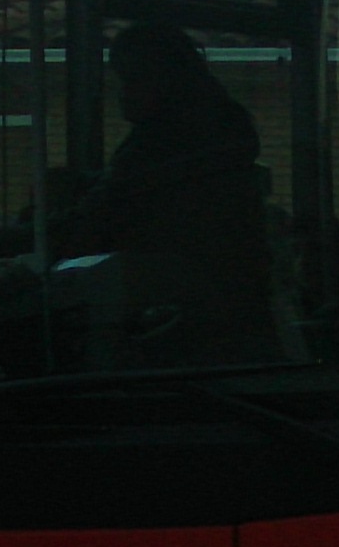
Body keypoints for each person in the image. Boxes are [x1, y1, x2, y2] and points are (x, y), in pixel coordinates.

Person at [51, 18, 277, 359]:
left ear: (166, 80)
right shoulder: (221, 137)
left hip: (176, 340)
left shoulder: (160, 151)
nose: (122, 93)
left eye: (132, 80)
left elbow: (92, 223)